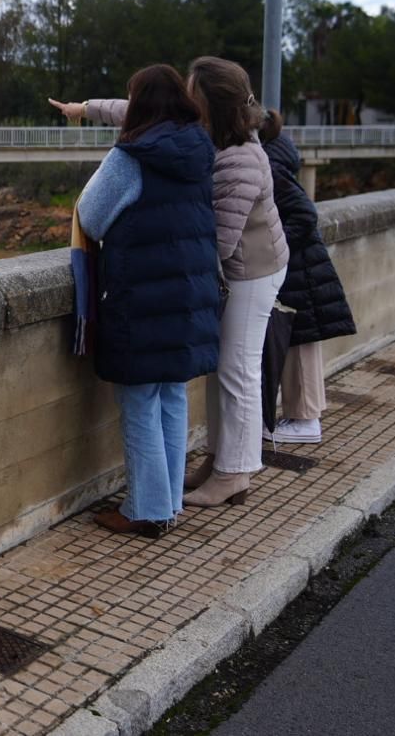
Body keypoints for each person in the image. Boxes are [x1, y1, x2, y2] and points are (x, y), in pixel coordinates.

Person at [51, 55, 288, 508]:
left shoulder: (237, 158)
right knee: (183, 386)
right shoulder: (197, 141)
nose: (187, 98)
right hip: (199, 284)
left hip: (250, 270)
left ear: (209, 103)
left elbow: (214, 243)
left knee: (235, 371)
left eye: (194, 91)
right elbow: (137, 108)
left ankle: (230, 475)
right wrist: (85, 108)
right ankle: (201, 474)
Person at [71, 65, 222, 537]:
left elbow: (91, 217)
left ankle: (146, 511)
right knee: (172, 395)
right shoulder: (200, 150)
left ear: (139, 105)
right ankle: (170, 501)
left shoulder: (132, 157)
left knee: (139, 400)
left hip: (141, 296)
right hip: (187, 296)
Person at [258, 109, 356, 443]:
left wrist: (273, 243)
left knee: (299, 342)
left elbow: (304, 214)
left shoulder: (270, 167)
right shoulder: (277, 157)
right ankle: (302, 417)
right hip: (302, 266)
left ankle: (304, 420)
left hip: (297, 268)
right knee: (300, 341)